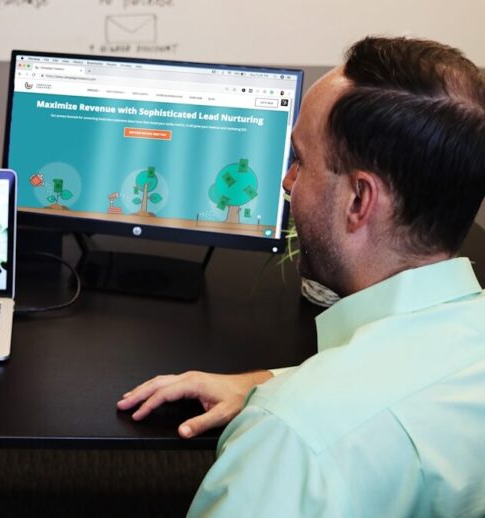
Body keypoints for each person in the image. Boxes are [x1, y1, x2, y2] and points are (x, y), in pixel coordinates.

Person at [118, 36, 485, 516]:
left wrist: (287, 401)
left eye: (300, 160)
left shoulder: (291, 440)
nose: (287, 182)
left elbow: (334, 421)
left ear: (358, 201)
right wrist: (268, 380)